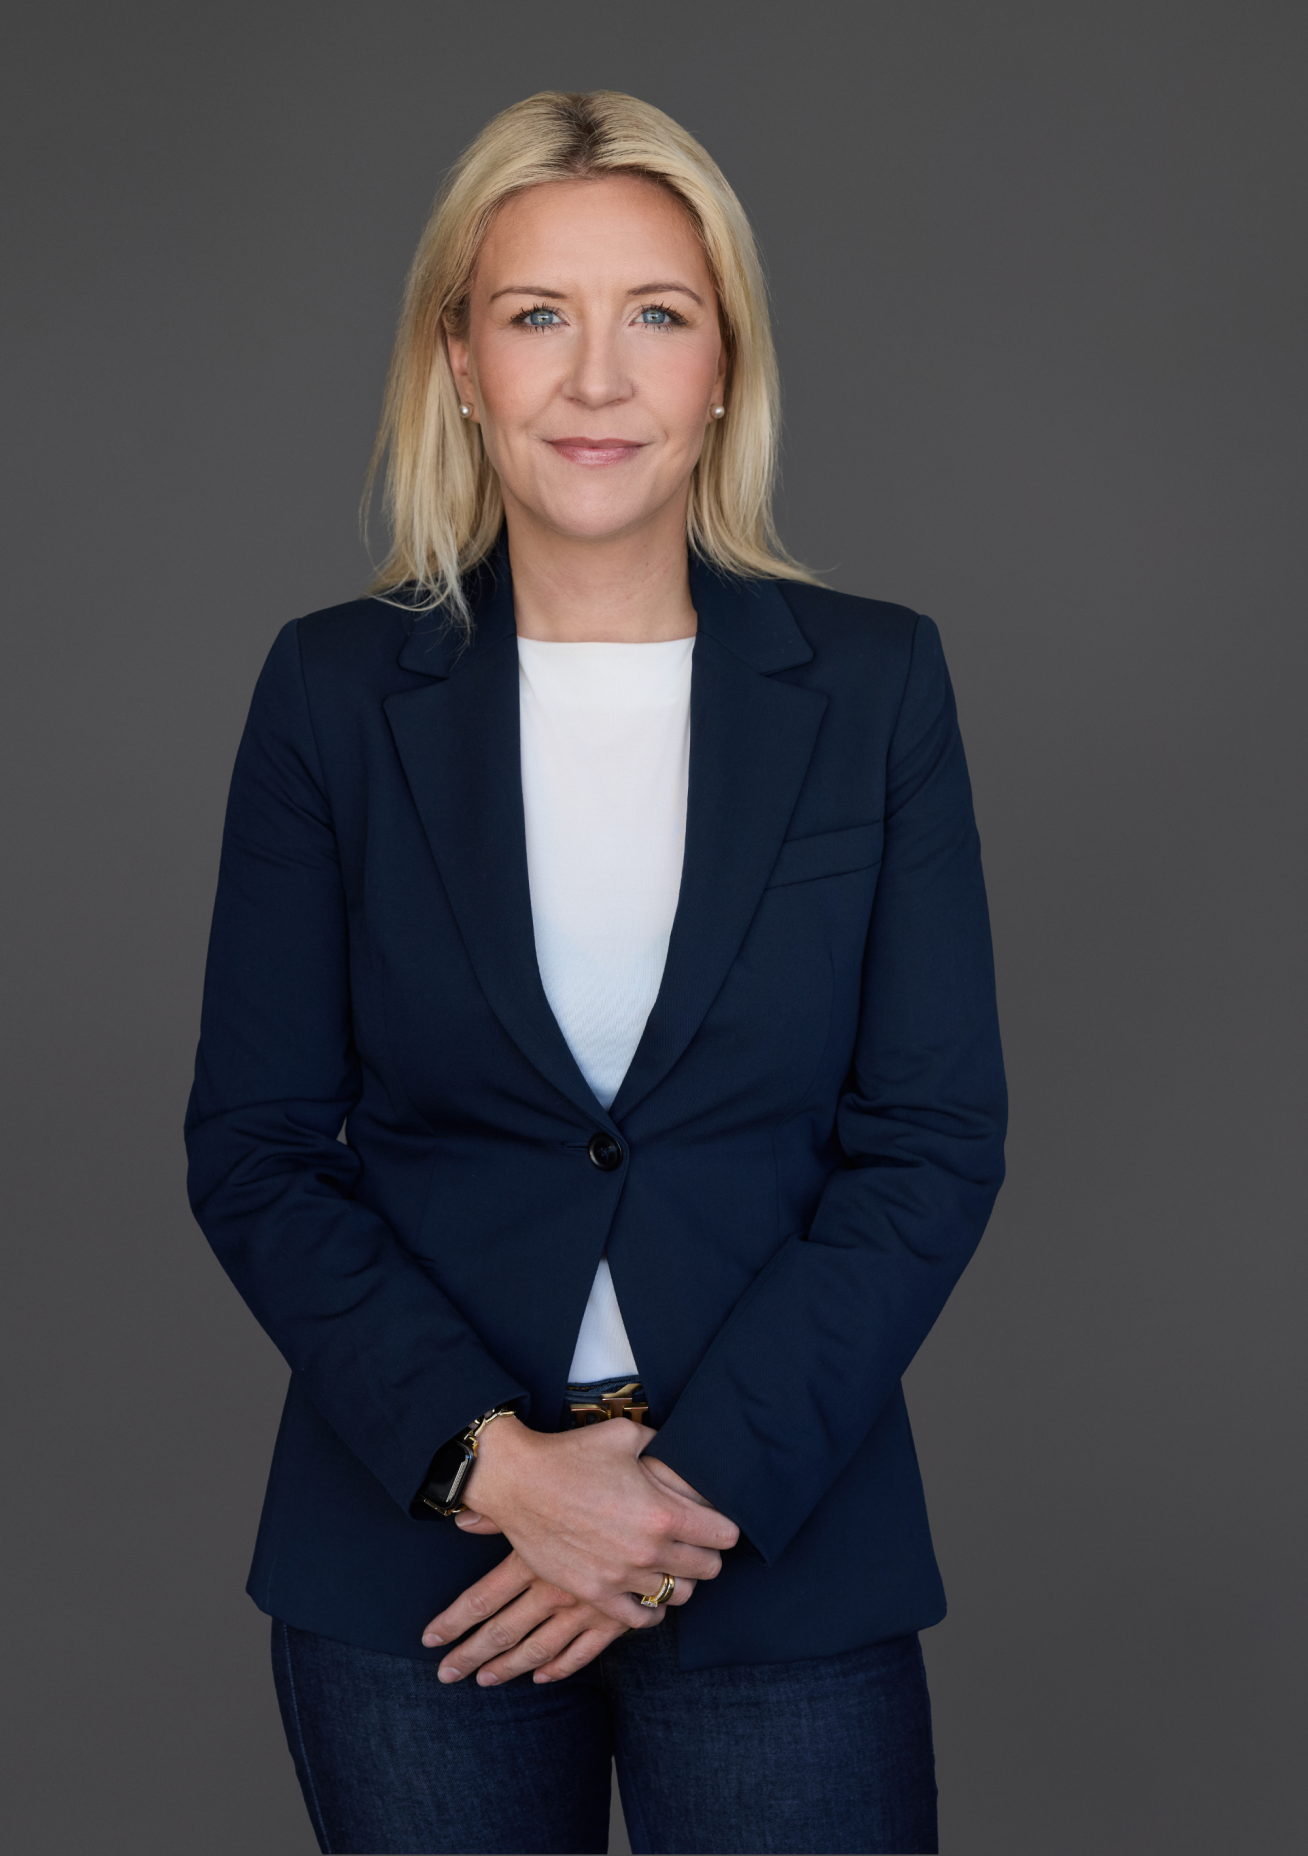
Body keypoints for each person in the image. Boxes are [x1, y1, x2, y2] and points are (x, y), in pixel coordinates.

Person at [185, 88, 1006, 1856]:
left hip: (775, 1538)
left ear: (724, 366)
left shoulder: (877, 687)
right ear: (461, 364)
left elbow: (931, 1140)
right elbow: (257, 1147)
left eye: (658, 314)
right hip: (421, 1566)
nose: (598, 377)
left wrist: (674, 1501)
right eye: (538, 315)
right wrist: (499, 1468)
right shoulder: (332, 692)